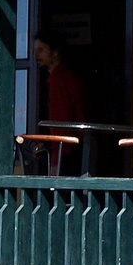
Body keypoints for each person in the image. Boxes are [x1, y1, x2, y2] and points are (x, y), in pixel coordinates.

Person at [33, 30, 86, 174]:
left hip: (65, 150)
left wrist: (56, 160)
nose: (36, 55)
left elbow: (60, 122)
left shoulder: (60, 80)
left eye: (41, 50)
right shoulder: (58, 78)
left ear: (55, 52)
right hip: (67, 148)